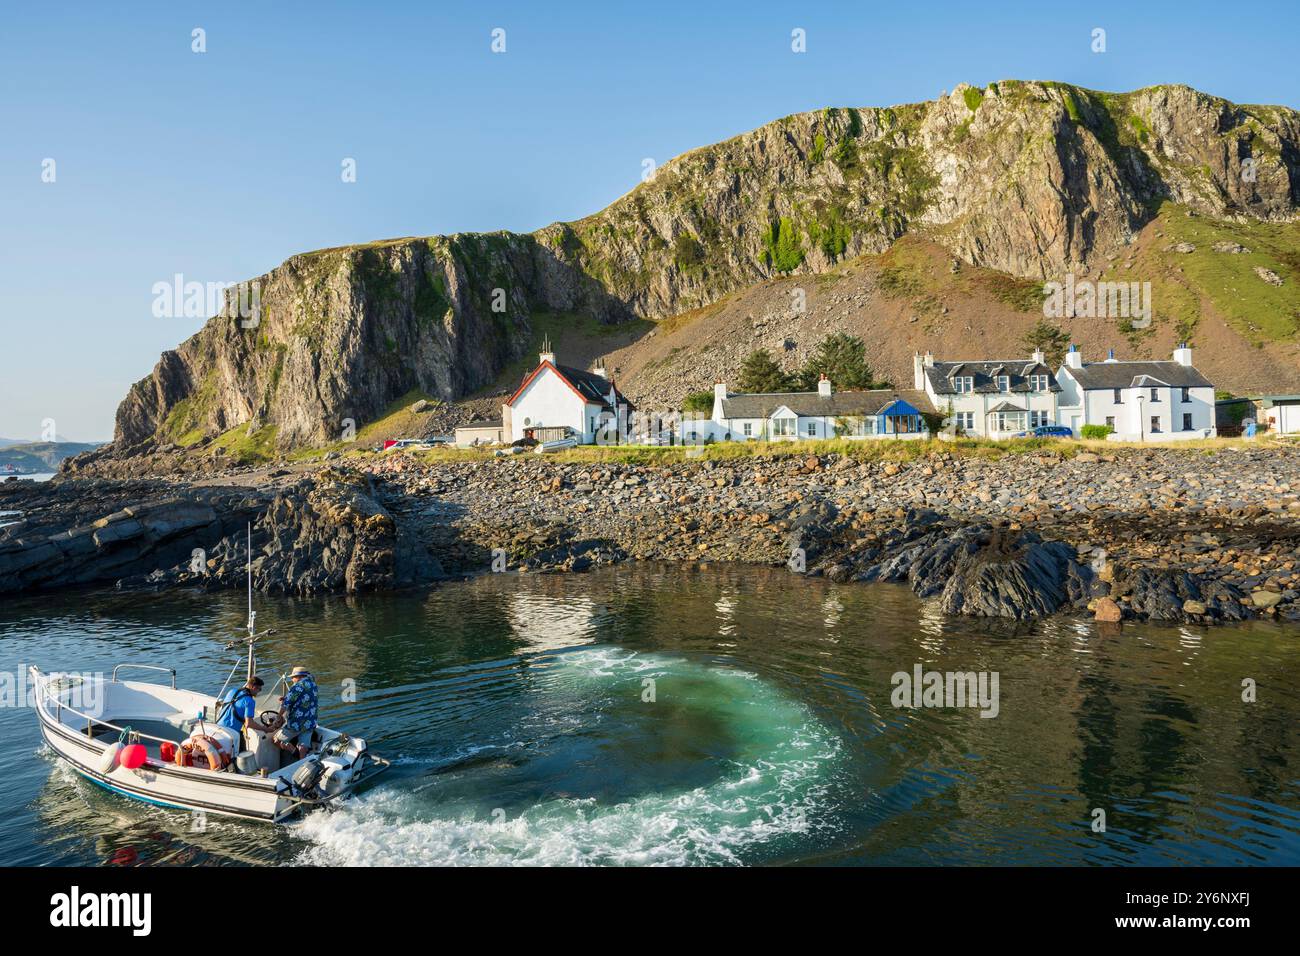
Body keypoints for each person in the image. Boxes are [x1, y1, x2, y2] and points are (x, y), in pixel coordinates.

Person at [273, 666, 318, 760]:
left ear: (298, 676)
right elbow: (305, 700)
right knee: (303, 746)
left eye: (293, 677)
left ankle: (293, 751)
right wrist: (286, 699)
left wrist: (278, 717)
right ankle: (302, 764)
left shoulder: (297, 687)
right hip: (310, 722)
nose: (292, 679)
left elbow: (285, 705)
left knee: (275, 740)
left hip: (296, 723)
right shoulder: (313, 685)